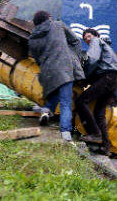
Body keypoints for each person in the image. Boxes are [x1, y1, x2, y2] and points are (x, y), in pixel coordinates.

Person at [28, 11, 85, 142]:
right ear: (48, 18)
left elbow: (36, 58)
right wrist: (74, 57)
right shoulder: (58, 25)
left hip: (47, 72)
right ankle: (66, 132)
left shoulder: (32, 38)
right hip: (64, 68)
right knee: (65, 102)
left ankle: (46, 111)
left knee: (54, 94)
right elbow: (75, 40)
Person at [75, 28, 117, 155]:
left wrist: (82, 76)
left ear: (96, 35)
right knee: (99, 113)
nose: (87, 40)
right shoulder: (106, 46)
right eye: (85, 39)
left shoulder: (96, 41)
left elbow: (92, 60)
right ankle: (106, 147)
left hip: (106, 77)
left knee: (81, 101)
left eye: (89, 36)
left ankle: (95, 134)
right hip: (114, 79)